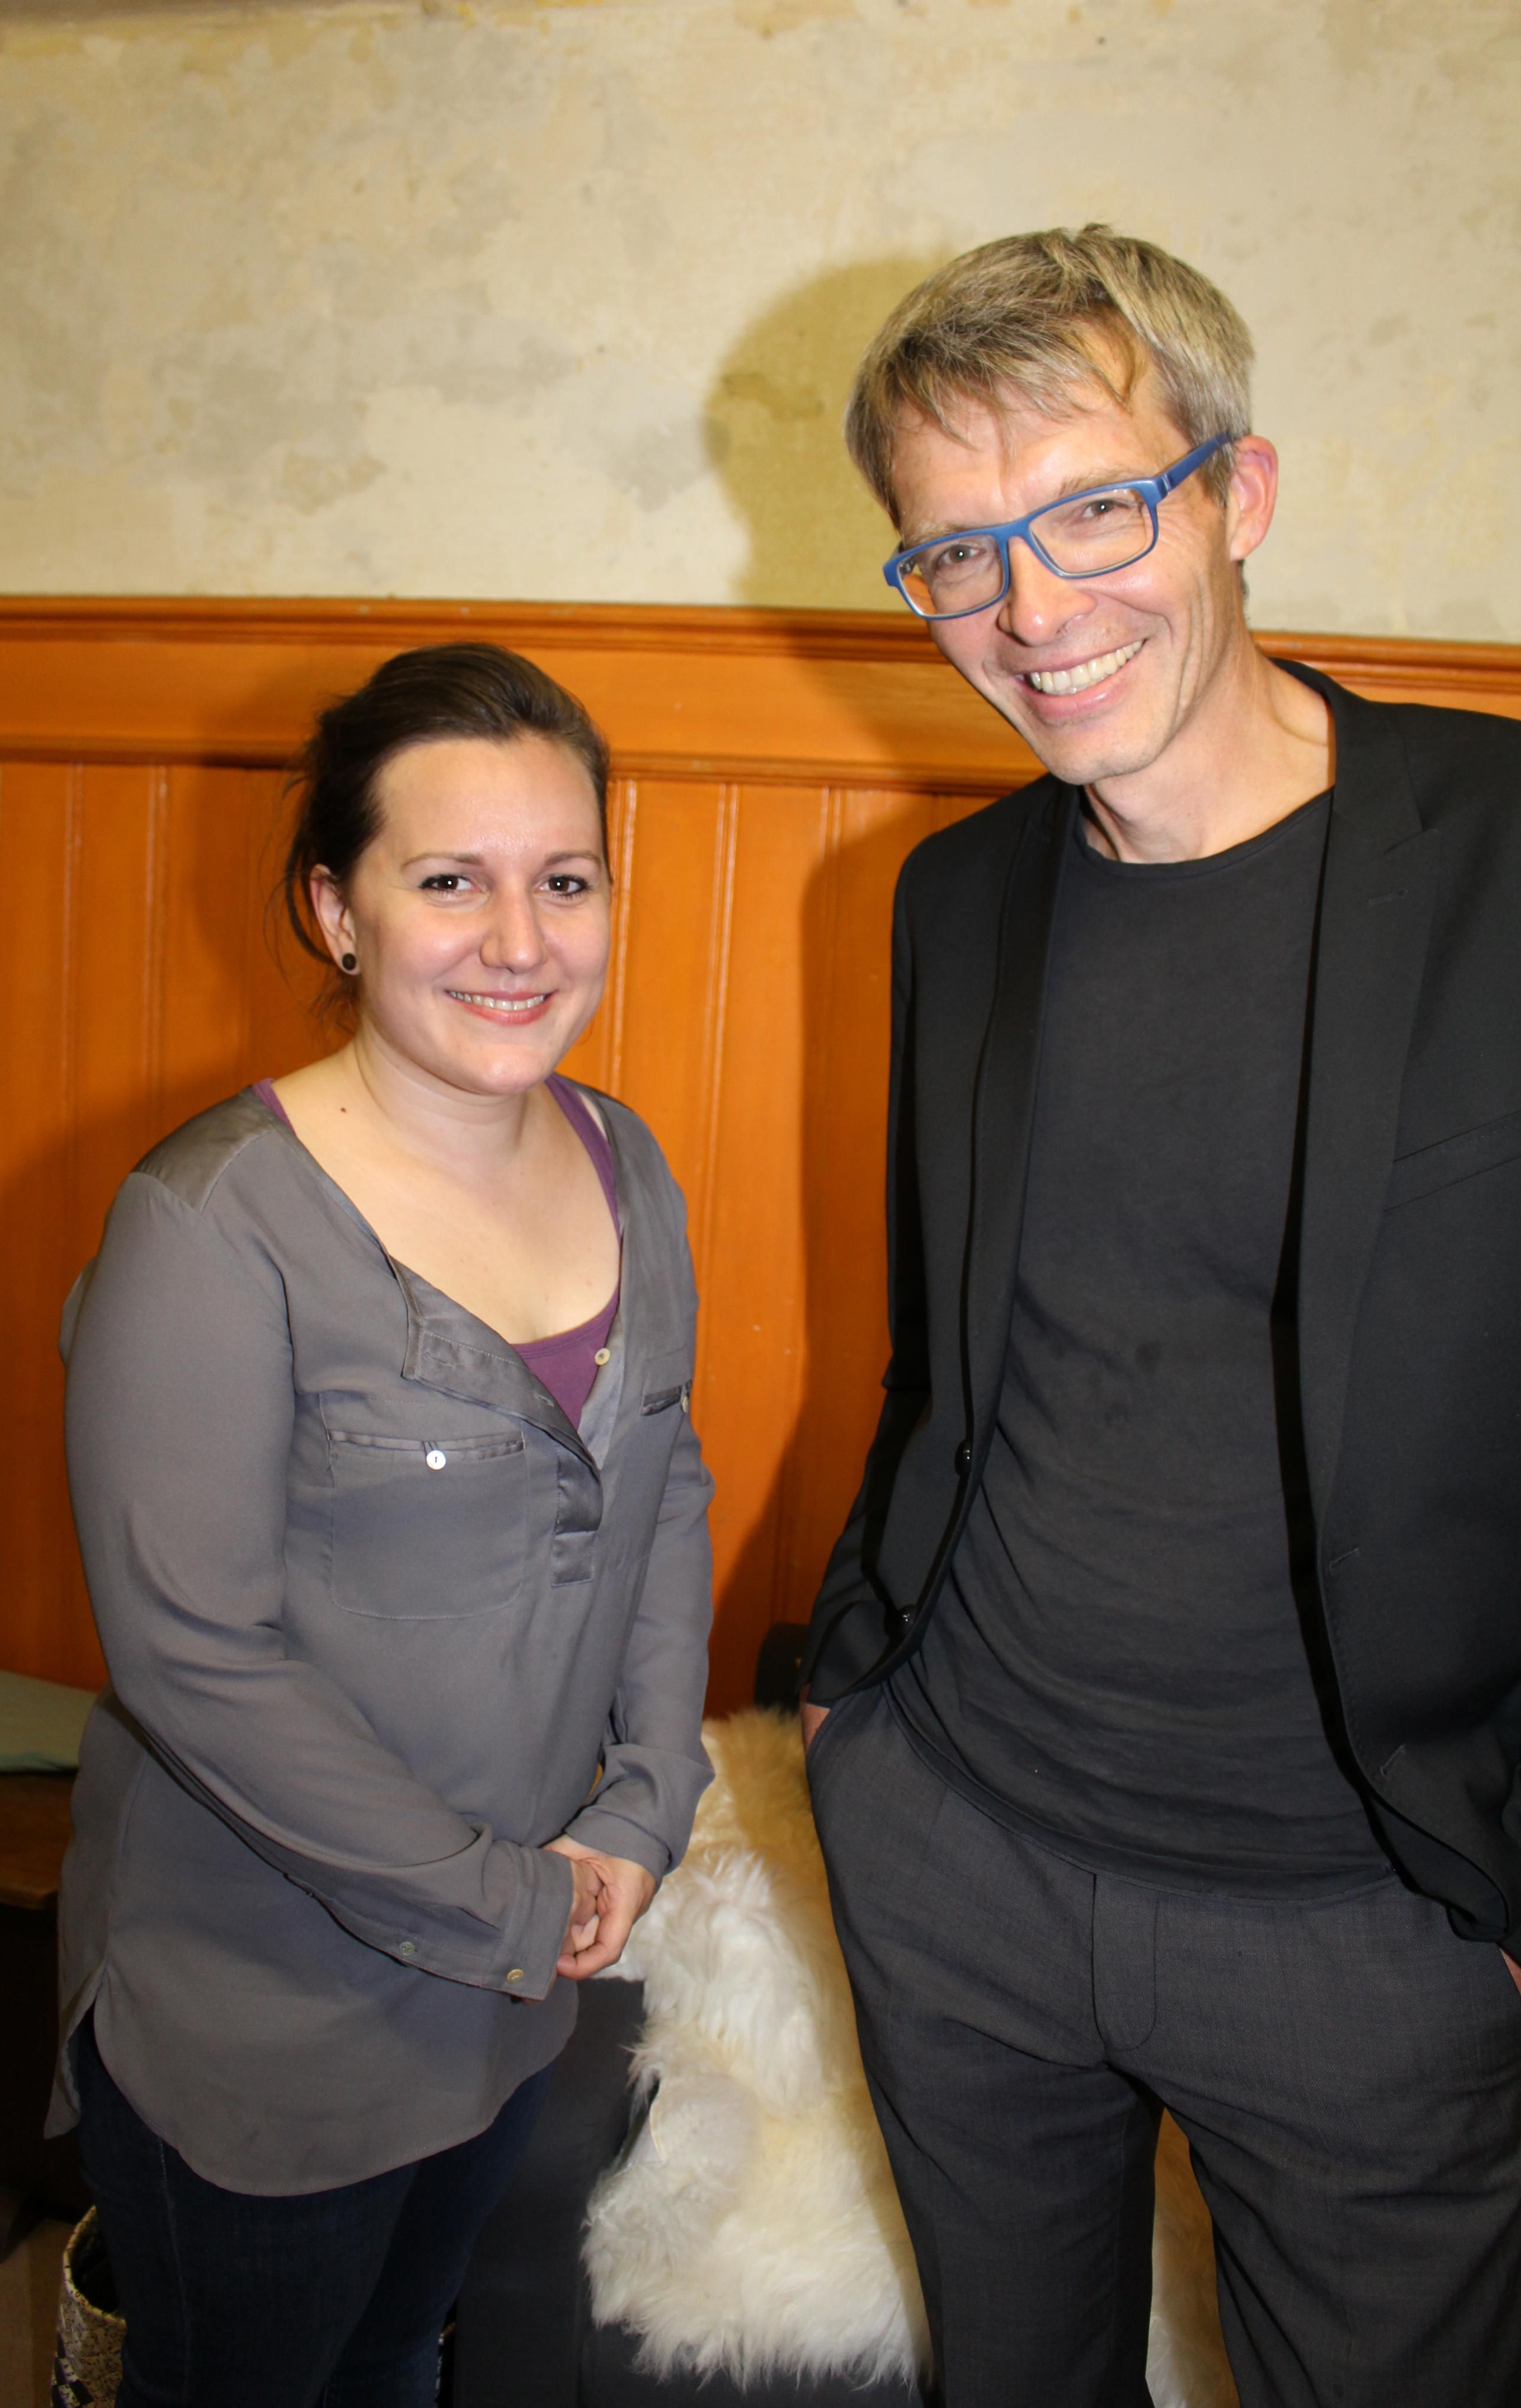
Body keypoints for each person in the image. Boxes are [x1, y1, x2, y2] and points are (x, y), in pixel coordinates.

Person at [798, 226, 1521, 2407]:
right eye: (954, 553)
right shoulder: (953, 897)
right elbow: (944, 1362)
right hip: (959, 1856)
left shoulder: (1499, 857)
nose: (1030, 610)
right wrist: (851, 1689)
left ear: (1238, 494)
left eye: (1095, 509)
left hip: (1365, 1919)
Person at [52, 641, 713, 2406]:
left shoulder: (628, 1162)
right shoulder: (209, 1227)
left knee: (399, 2366)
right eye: (449, 882)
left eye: (564, 880)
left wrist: (646, 1801)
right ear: (336, 911)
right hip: (268, 2011)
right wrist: (505, 1897)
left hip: (515, 1984)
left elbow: (663, 1486)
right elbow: (195, 1661)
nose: (521, 940)